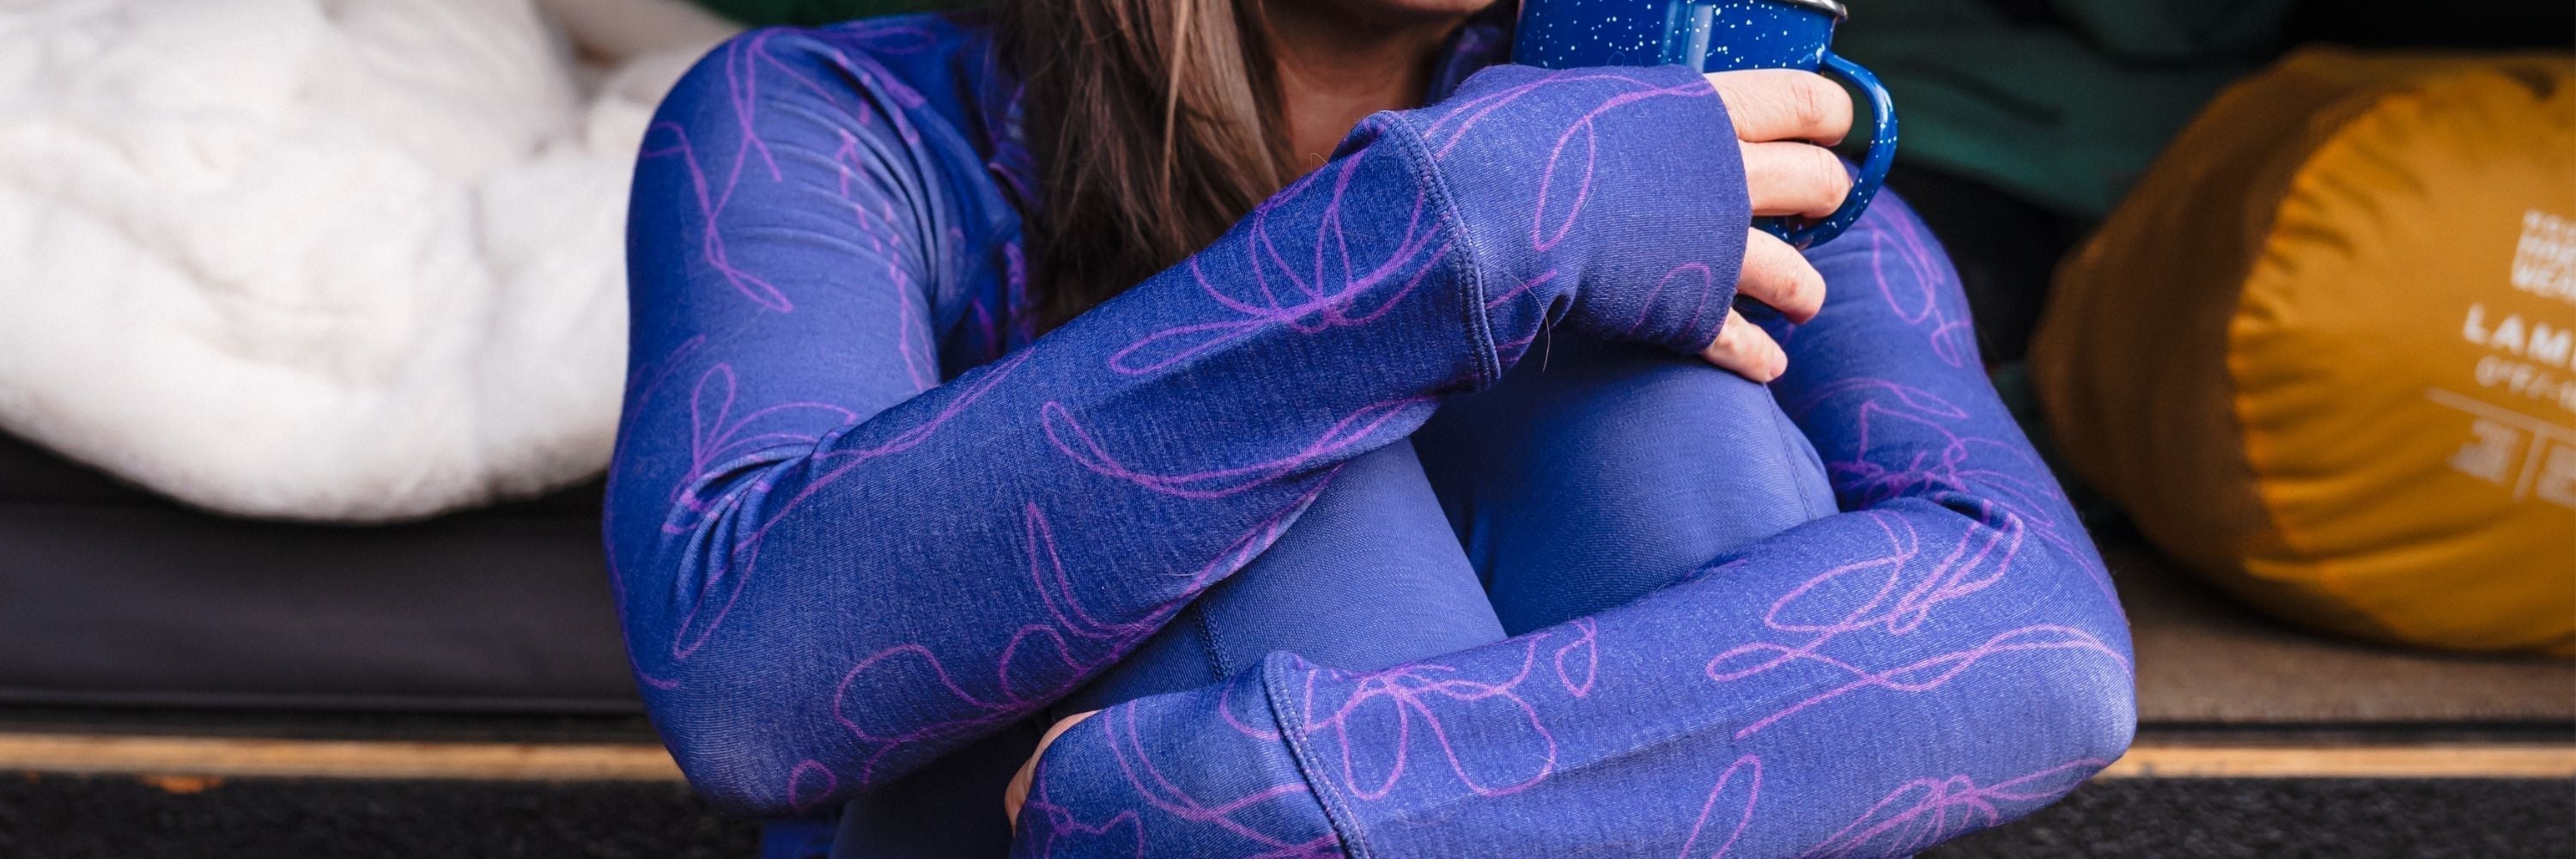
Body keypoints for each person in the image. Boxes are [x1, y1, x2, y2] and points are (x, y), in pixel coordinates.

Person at [605, 1, 2136, 856]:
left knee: (1671, 420)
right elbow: (748, 682)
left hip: (1174, 805)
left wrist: (1253, 799)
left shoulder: (1690, 131)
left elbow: (2042, 654)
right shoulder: (823, 115)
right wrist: (1436, 239)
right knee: (1310, 507)